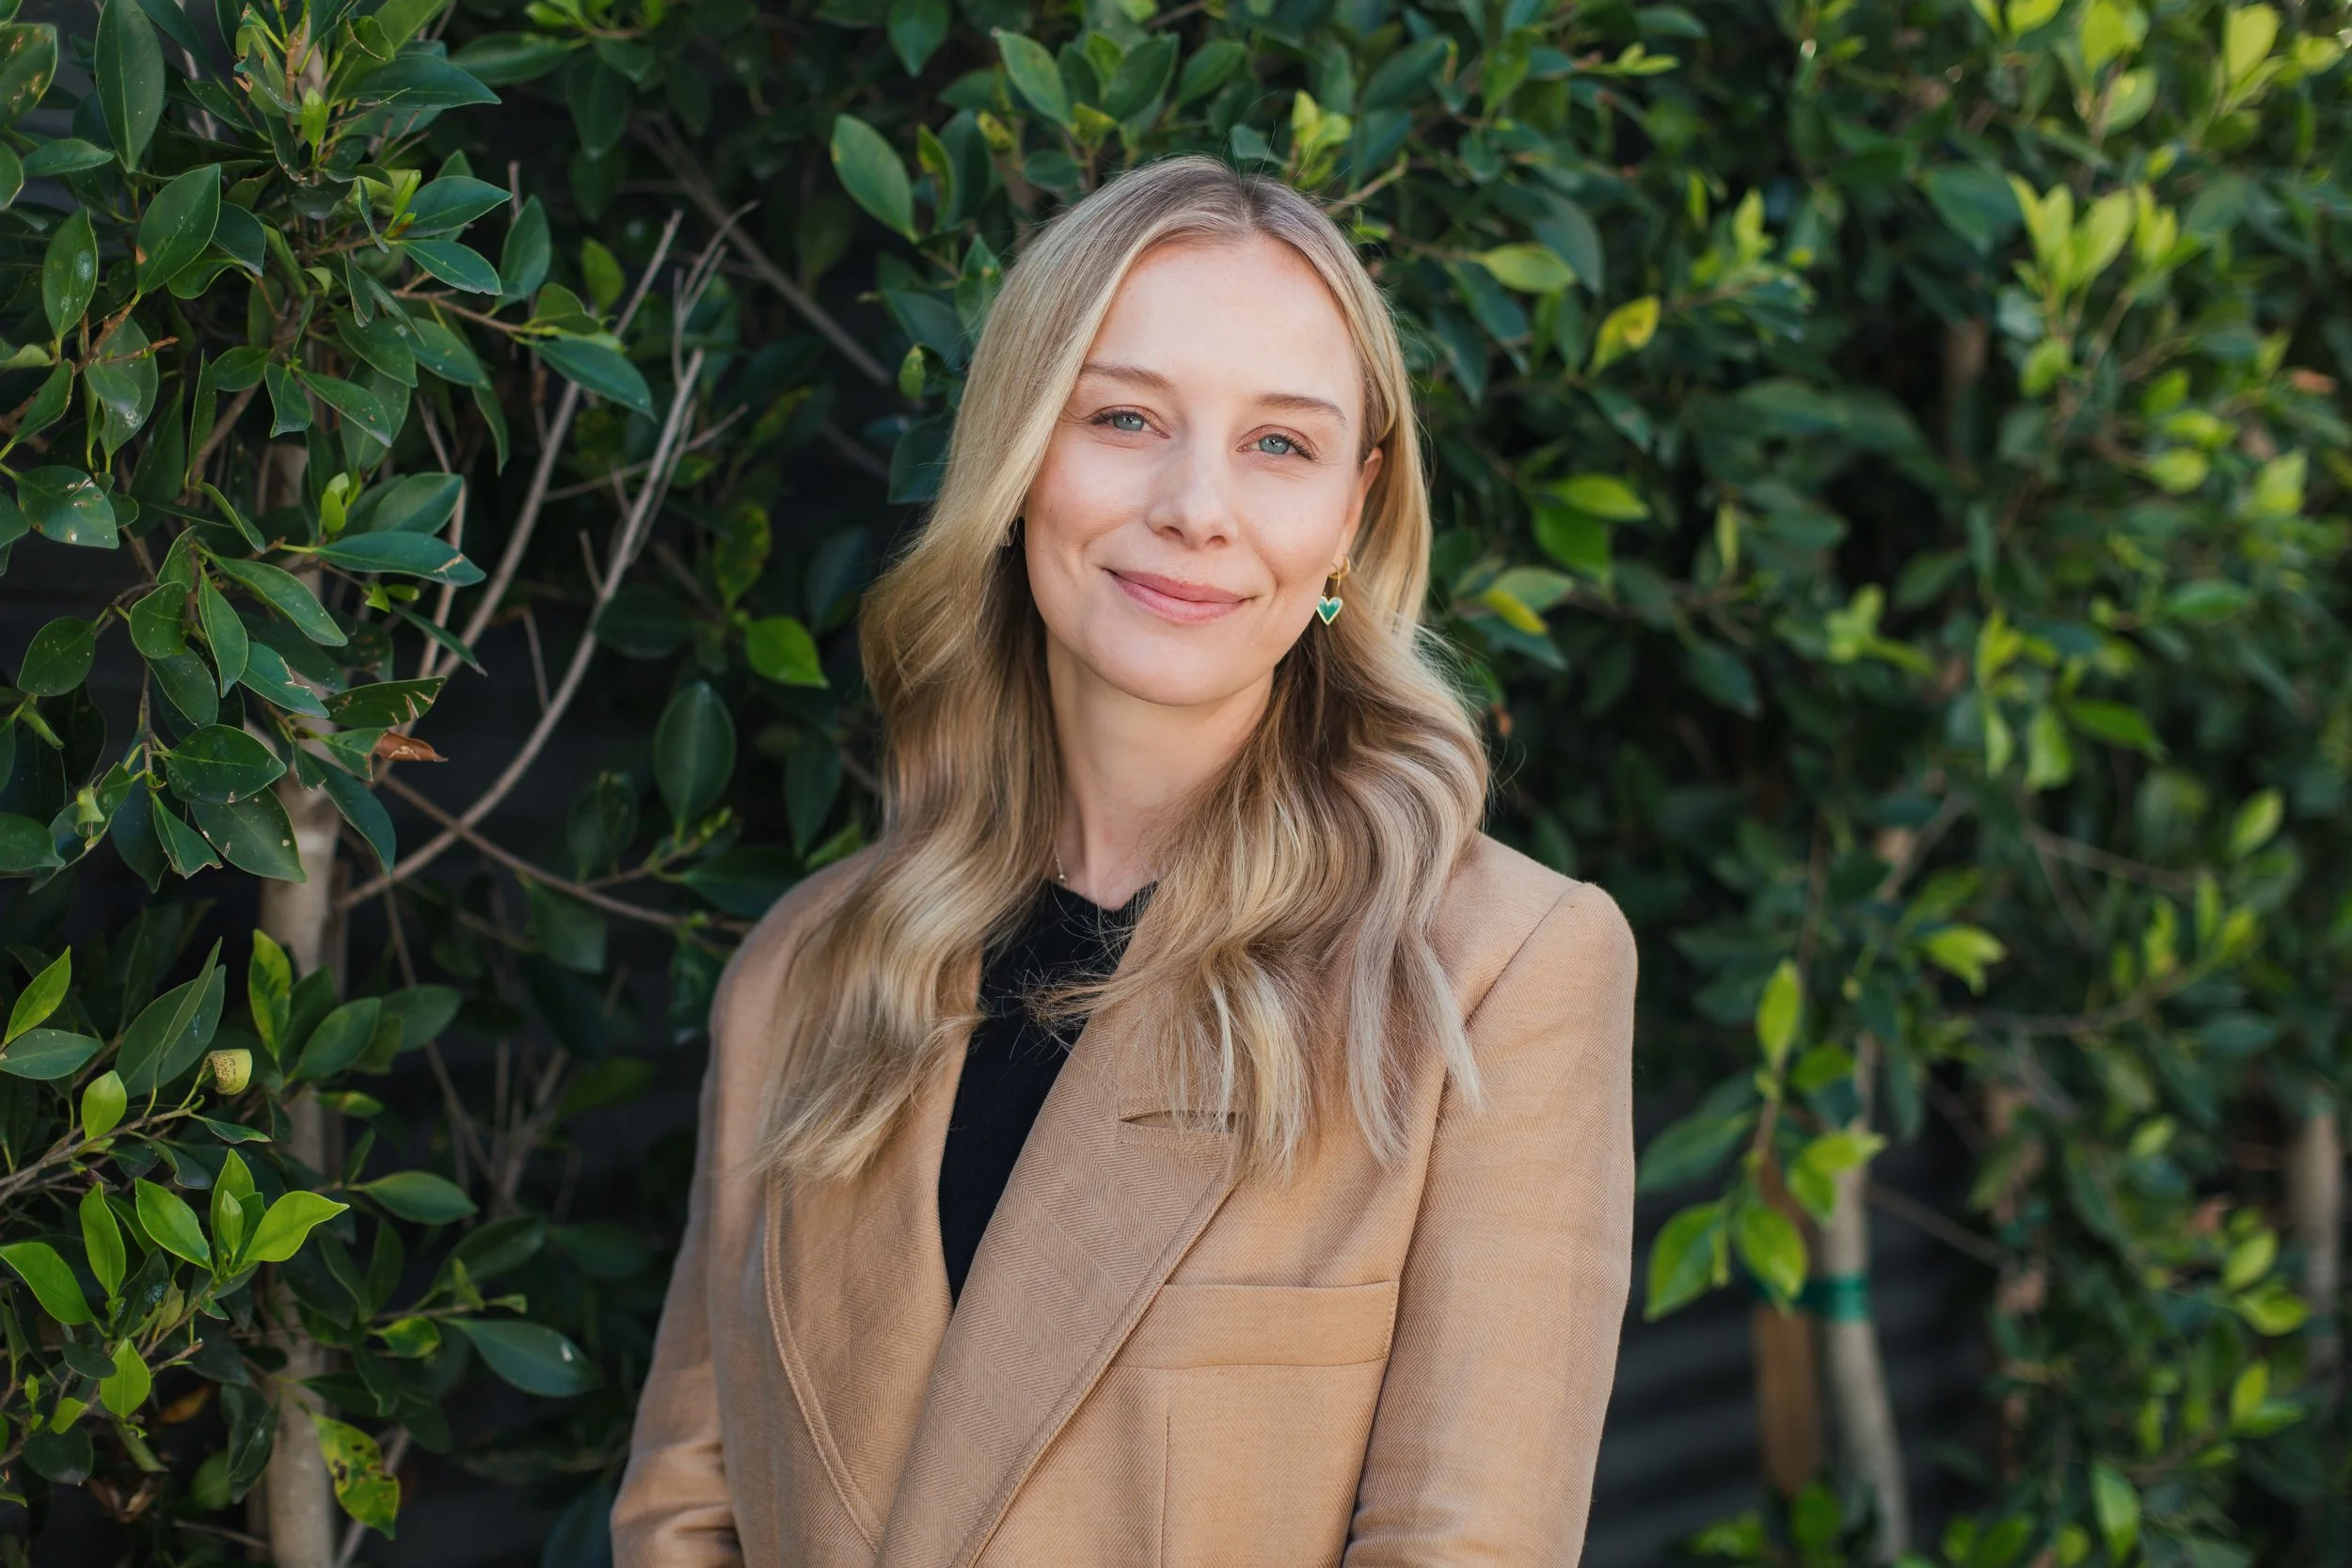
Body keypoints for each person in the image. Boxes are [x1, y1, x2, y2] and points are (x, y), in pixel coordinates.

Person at [613, 153, 1638, 1568]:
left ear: (1354, 505)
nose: (1195, 504)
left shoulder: (1495, 970)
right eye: (1125, 416)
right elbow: (684, 1511)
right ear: (1022, 451)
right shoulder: (804, 968)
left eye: (1280, 444)